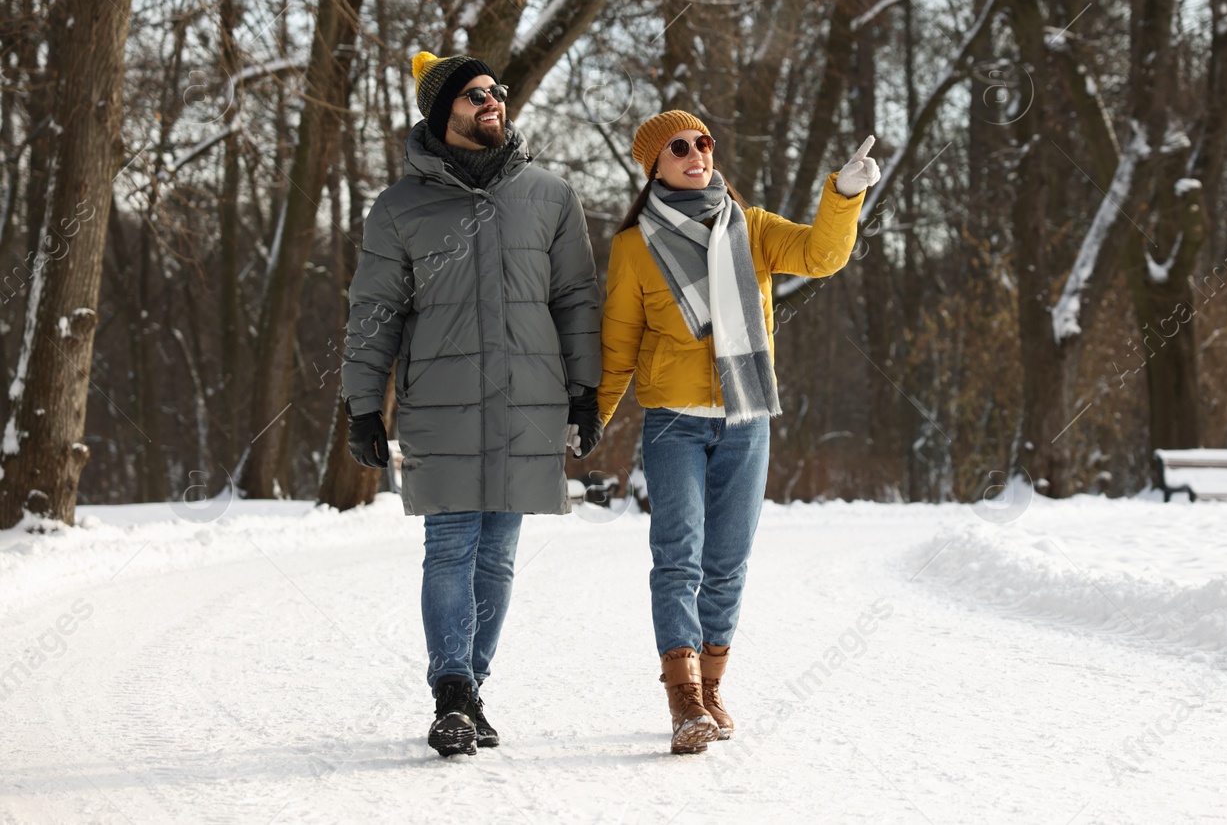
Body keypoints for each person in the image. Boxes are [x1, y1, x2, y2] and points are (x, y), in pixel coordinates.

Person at [340, 52, 605, 758]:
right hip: (441, 403)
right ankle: (452, 691)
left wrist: (586, 392)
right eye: (475, 92)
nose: (493, 100)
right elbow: (374, 311)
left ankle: (472, 685)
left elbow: (576, 300)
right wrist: (364, 403)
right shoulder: (399, 208)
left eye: (498, 90)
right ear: (444, 111)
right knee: (450, 547)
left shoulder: (551, 196)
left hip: (530, 402)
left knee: (499, 558)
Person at [598, 110, 879, 753]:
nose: (697, 153)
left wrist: (843, 194)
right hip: (673, 421)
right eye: (680, 147)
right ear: (654, 165)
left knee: (727, 562)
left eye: (703, 143)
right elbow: (618, 344)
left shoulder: (750, 228)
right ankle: (685, 702)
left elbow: (822, 254)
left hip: (748, 419)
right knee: (679, 558)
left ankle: (713, 684)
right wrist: (592, 417)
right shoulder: (634, 247)